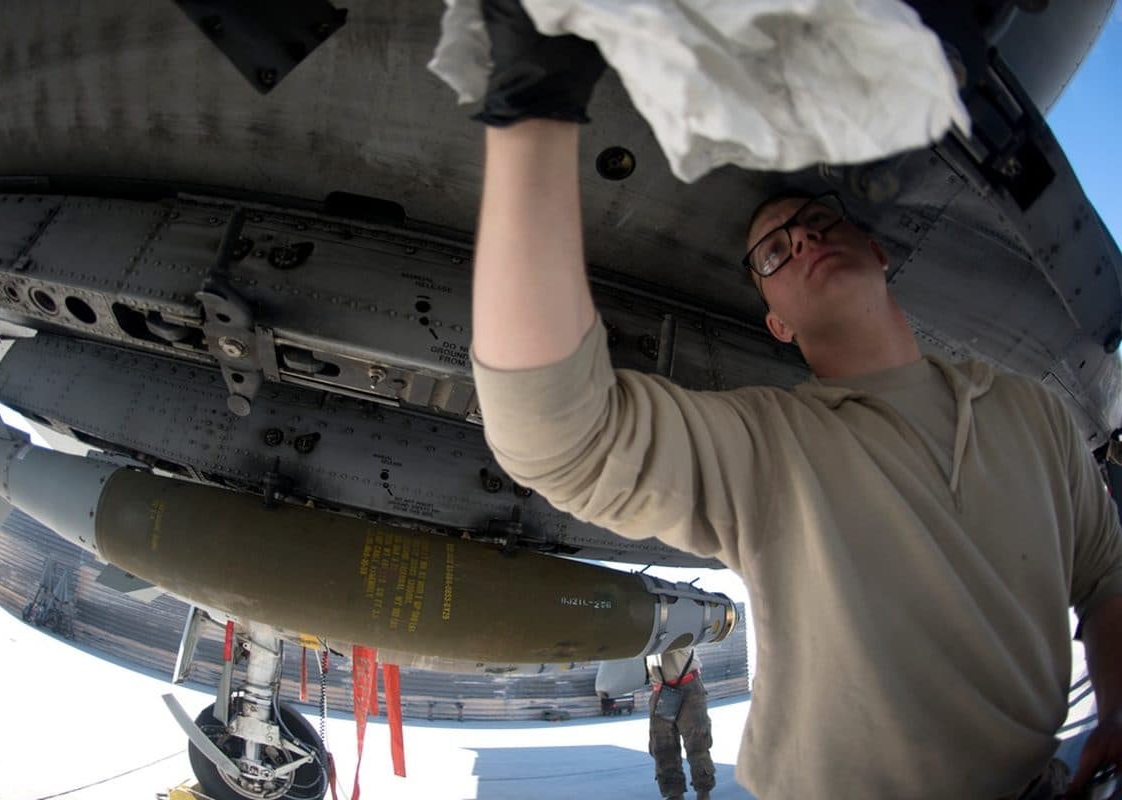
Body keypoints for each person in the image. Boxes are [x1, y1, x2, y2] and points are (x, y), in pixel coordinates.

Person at [467, 2, 1122, 798]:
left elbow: (1107, 577)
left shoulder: (1034, 416)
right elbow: (565, 441)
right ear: (775, 321)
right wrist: (533, 103)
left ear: (879, 250)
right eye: (773, 251)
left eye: (816, 222)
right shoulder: (771, 447)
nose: (804, 239)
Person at [647, 647, 714, 800]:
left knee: (698, 745)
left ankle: (704, 793)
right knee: (663, 748)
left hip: (688, 685)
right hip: (660, 691)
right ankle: (674, 794)